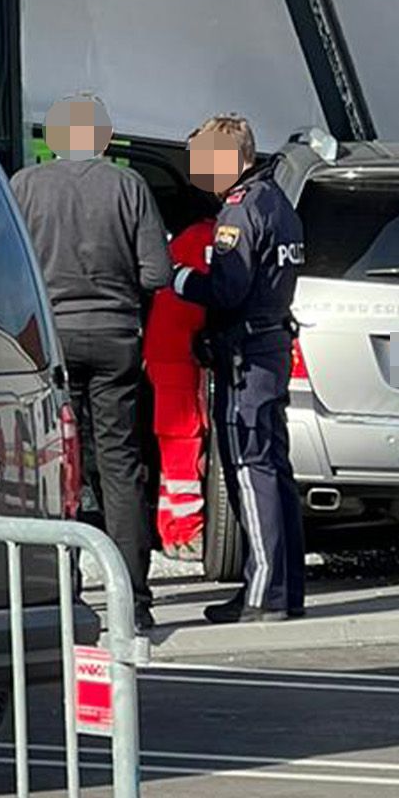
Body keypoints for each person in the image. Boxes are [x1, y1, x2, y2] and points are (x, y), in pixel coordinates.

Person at [10, 93, 173, 629]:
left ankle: (63, 592)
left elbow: (3, 267)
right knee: (122, 467)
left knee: (59, 468)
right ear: (103, 138)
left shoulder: (25, 186)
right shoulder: (128, 187)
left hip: (50, 345)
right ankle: (134, 600)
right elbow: (157, 274)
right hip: (115, 339)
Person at [169, 114, 307, 624]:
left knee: (251, 472)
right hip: (269, 350)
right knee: (274, 468)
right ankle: (284, 587)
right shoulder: (278, 201)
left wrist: (181, 279)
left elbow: (228, 290)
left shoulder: (239, 211)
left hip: (245, 356)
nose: (197, 171)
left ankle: (265, 593)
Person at [146, 210, 217, 555]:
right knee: (183, 442)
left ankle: (172, 528)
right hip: (179, 353)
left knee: (176, 446)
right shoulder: (211, 239)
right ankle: (187, 531)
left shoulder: (192, 236)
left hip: (167, 350)